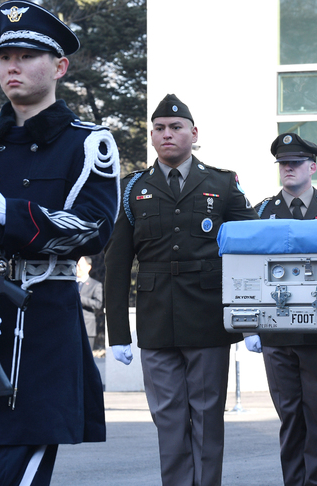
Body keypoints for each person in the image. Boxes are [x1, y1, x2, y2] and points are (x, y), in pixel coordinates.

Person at [0, 1, 119, 484]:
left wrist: (14, 214)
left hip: (42, 332)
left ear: (60, 66)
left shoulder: (87, 144)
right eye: (4, 57)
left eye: (26, 55)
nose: (12, 67)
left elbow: (93, 227)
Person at [104, 94, 259, 486]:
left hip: (207, 318)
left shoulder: (222, 184)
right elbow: (117, 264)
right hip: (156, 322)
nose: (166, 134)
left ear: (194, 133)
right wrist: (118, 334)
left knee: (207, 417)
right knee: (168, 420)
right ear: (152, 136)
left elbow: (251, 248)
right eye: (159, 129)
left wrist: (253, 315)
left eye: (175, 127)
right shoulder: (132, 188)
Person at [247, 133, 317, 486]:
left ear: (312, 166)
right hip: (276, 332)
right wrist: (250, 325)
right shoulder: (260, 213)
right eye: (283, 163)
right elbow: (246, 270)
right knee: (290, 416)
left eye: (295, 162)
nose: (288, 168)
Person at [77, 256, 104, 354]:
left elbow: (98, 304)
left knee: (86, 357)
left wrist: (80, 299)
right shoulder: (70, 284)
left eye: (80, 265)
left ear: (89, 267)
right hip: (70, 326)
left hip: (87, 327)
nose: (77, 268)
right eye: (76, 265)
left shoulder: (95, 285)